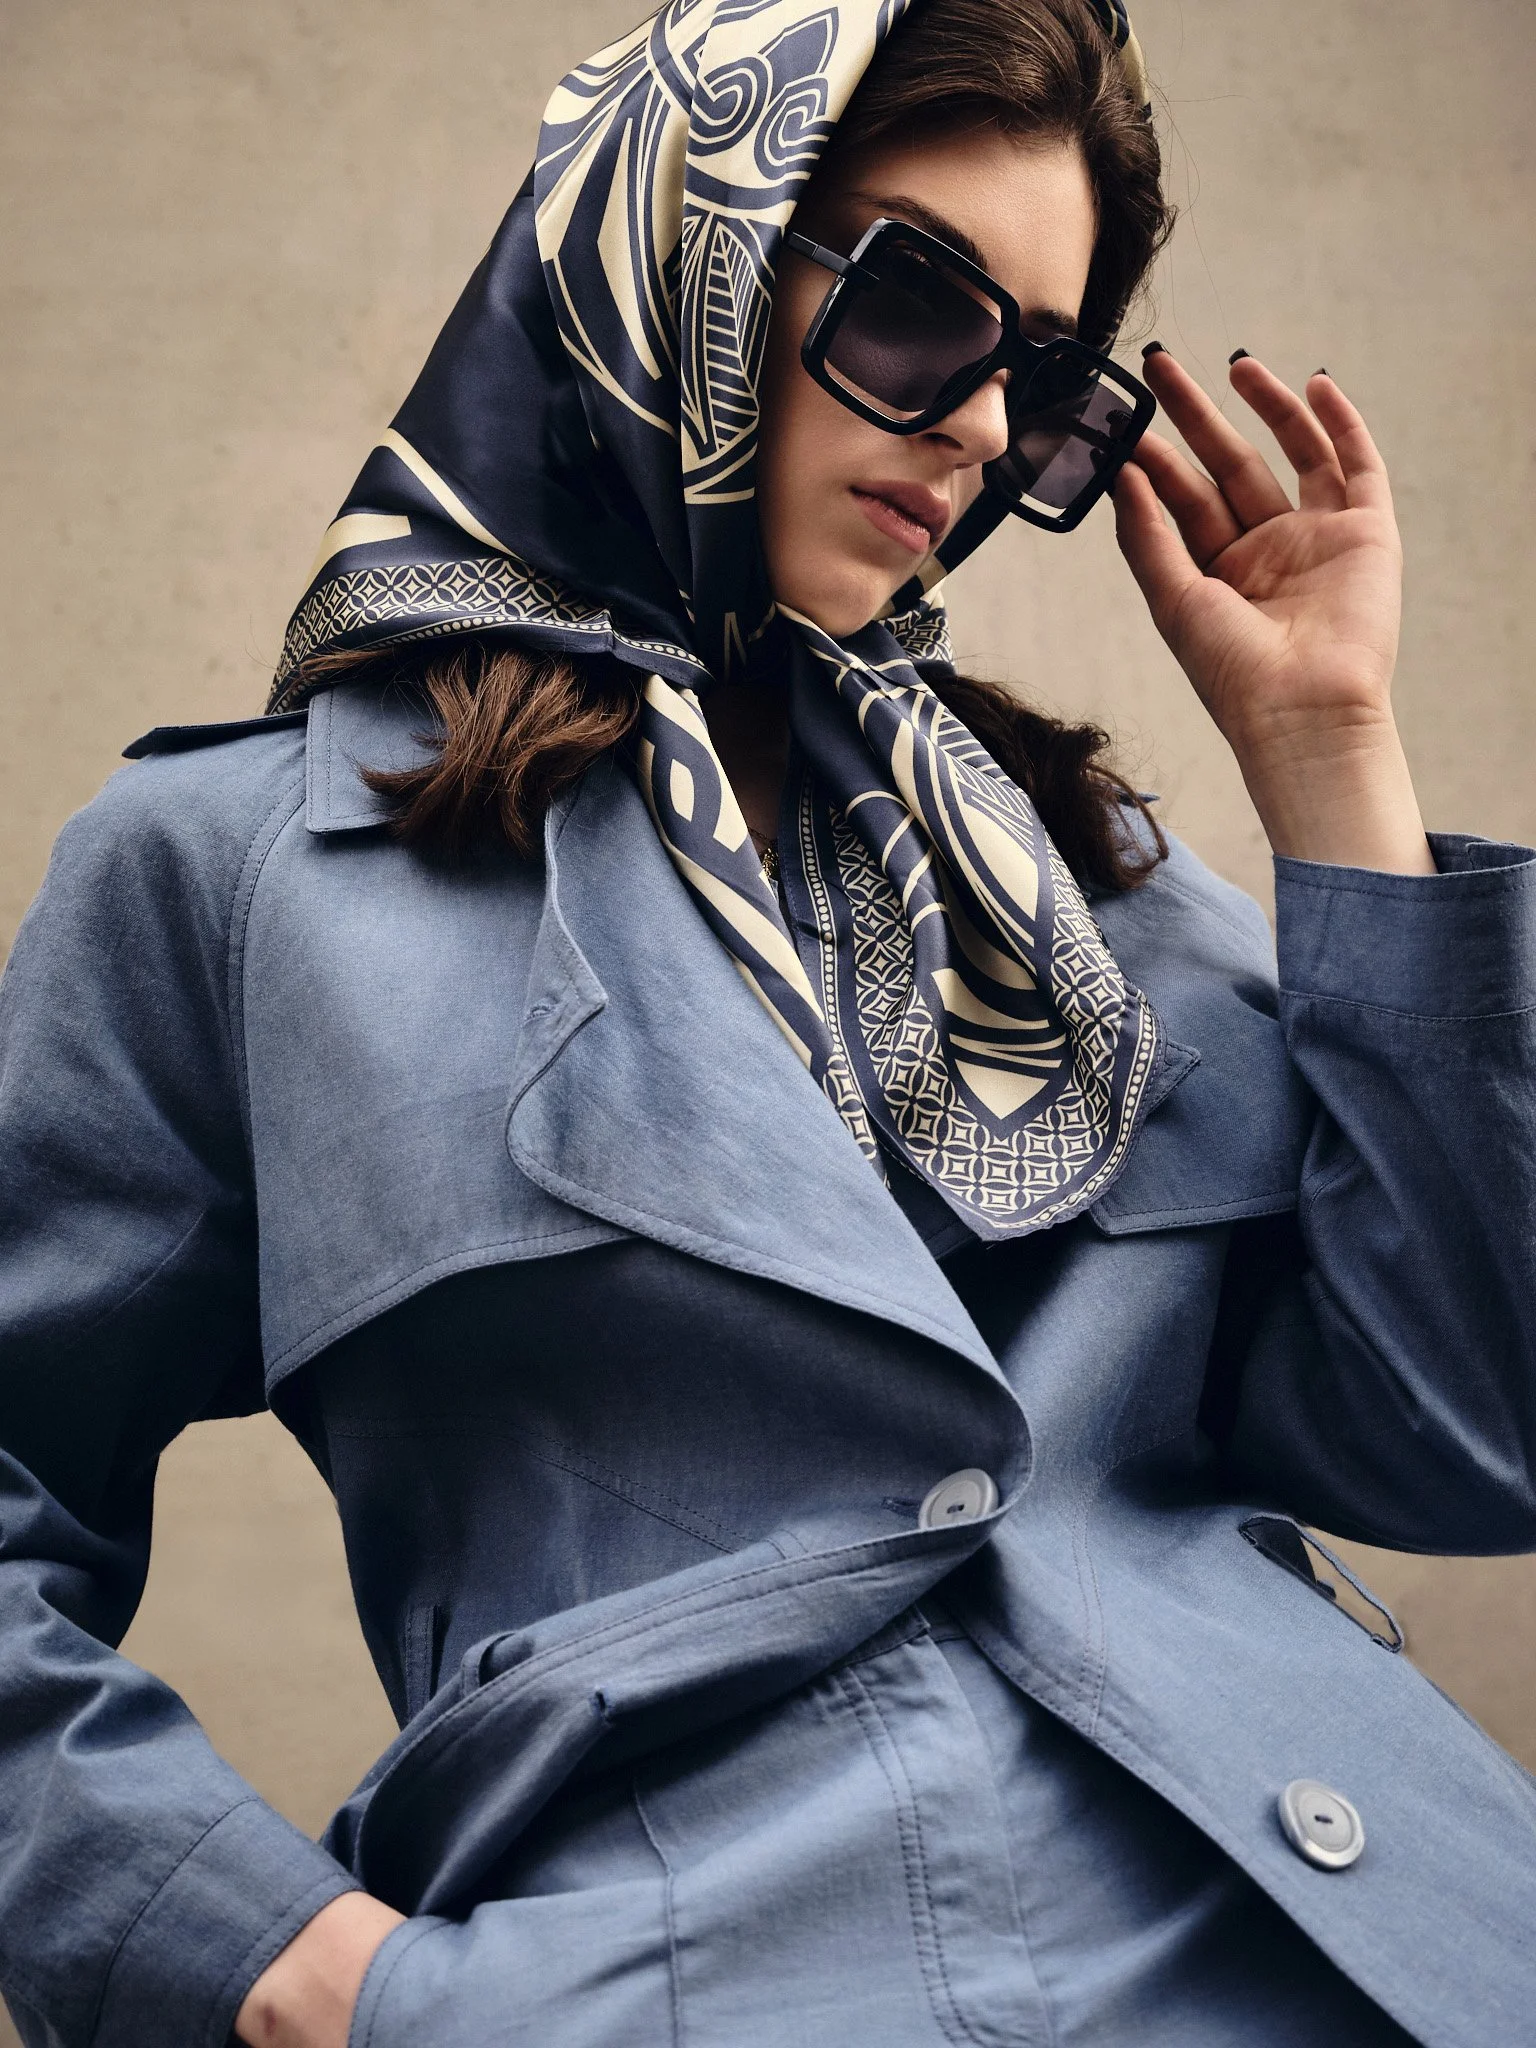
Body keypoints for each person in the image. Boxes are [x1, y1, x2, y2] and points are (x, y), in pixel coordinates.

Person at [1, 0, 1533, 2041]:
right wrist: (291, 1973)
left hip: (1382, 1947)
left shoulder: (1076, 891)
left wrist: (1334, 753)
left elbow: (1467, 1436)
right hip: (725, 1974)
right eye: (924, 309)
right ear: (686, 244)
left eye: (1055, 387)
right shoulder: (229, 874)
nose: (986, 428)